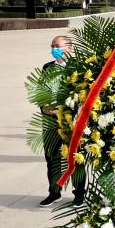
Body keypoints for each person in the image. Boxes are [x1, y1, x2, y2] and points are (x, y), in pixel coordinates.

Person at [39, 36, 86, 206]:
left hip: (70, 120)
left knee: (75, 157)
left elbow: (84, 93)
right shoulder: (47, 67)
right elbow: (40, 91)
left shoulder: (79, 67)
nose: (54, 49)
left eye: (57, 46)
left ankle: (79, 194)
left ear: (69, 48)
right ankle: (54, 192)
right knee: (52, 158)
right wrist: (43, 108)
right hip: (50, 121)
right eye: (52, 46)